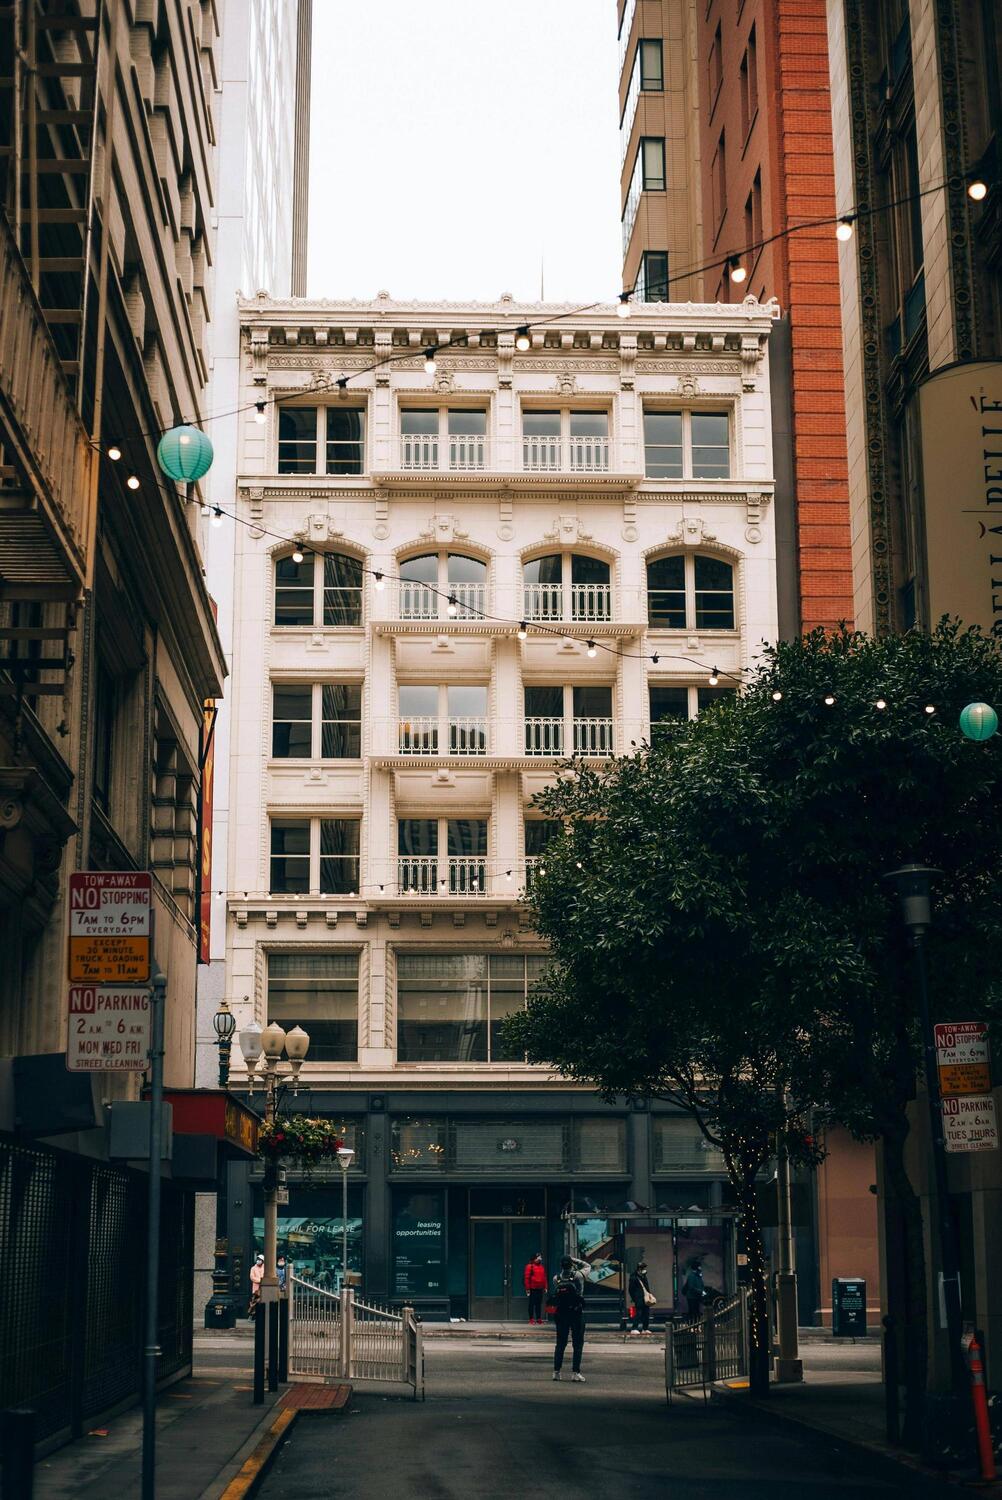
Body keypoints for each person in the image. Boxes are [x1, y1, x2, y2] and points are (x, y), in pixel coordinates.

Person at [551, 1255, 586, 1382]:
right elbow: (588, 1266)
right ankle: (575, 1373)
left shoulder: (556, 1279)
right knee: (577, 1343)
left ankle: (556, 1372)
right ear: (571, 1264)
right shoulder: (578, 1276)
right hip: (576, 1313)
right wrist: (575, 1259)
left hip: (561, 1314)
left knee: (560, 1343)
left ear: (561, 1266)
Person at [628, 1259, 655, 1335]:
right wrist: (635, 1298)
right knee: (638, 1313)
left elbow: (647, 1287)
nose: (644, 1270)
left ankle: (645, 1328)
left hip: (645, 1298)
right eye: (643, 1268)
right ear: (639, 1269)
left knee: (646, 1314)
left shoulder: (643, 1277)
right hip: (639, 1299)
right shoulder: (633, 1278)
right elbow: (631, 1289)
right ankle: (634, 1328)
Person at [523, 1251, 547, 1324]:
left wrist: (545, 1287)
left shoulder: (542, 1267)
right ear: (534, 1259)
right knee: (531, 1304)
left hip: (540, 1289)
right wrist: (527, 1289)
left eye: (540, 1257)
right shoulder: (530, 1266)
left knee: (538, 1304)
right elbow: (526, 1278)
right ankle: (531, 1319)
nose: (540, 1258)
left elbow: (544, 1277)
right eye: (538, 1257)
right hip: (532, 1289)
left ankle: (539, 1319)